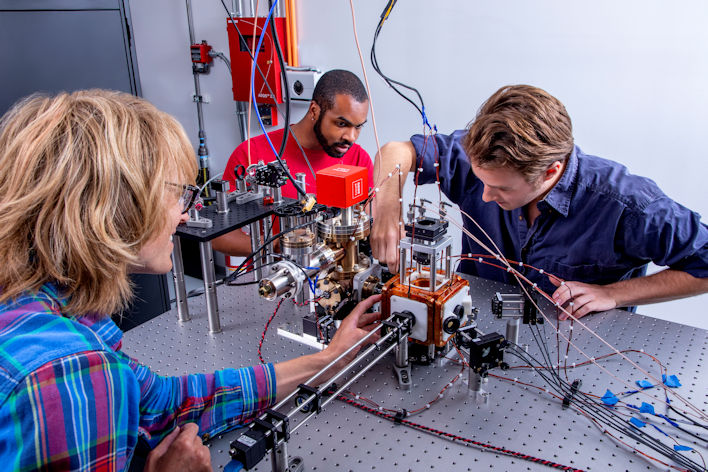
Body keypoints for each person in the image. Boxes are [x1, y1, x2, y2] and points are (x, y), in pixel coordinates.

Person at [0, 90, 382, 471]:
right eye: (177, 194)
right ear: (115, 207)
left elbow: (165, 403)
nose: (186, 215)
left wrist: (328, 360)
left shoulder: (57, 311)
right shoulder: (72, 374)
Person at [371, 84, 708, 320]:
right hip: (475, 327)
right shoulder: (482, 156)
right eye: (482, 180)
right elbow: (396, 152)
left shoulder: (626, 205)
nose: (484, 195)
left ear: (550, 171)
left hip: (574, 351)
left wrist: (614, 294)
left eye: (500, 188)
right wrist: (387, 210)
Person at [212, 69, 373, 256]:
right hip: (276, 270)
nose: (351, 137)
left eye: (358, 127)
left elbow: (369, 221)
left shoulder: (358, 159)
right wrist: (278, 245)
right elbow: (220, 237)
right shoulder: (252, 154)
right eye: (341, 124)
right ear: (314, 110)